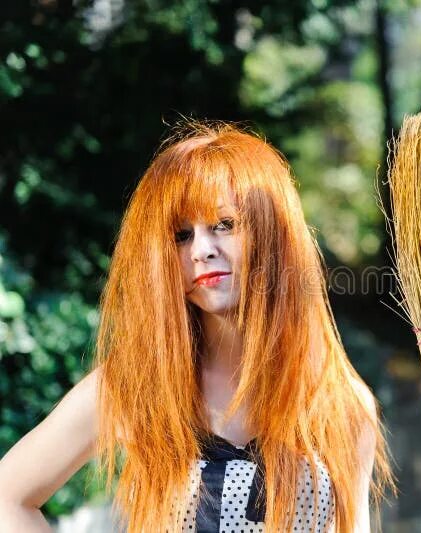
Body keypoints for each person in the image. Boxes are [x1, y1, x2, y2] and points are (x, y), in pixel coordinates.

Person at [0, 121, 397, 532]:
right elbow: (8, 497)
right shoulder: (136, 385)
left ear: (273, 235)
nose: (202, 251)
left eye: (225, 224)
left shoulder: (341, 403)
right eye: (181, 235)